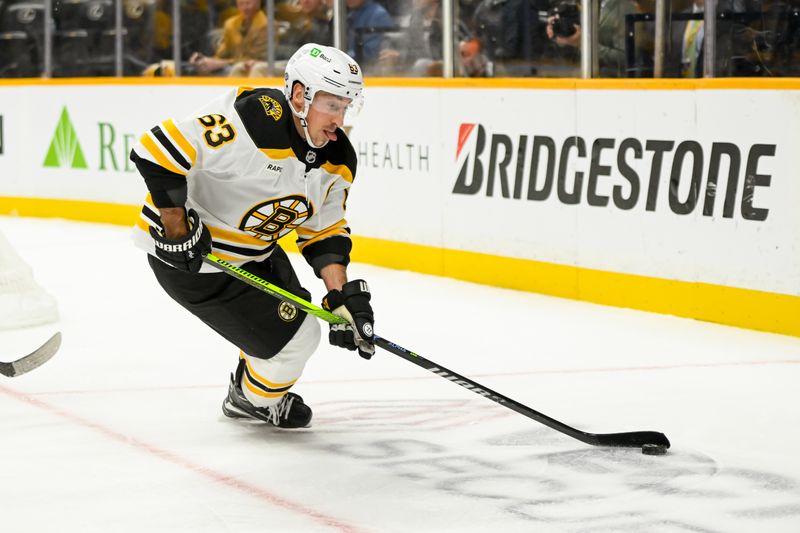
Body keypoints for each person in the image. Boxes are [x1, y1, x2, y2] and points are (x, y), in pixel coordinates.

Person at [129, 43, 375, 428]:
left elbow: (323, 231)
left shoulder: (339, 159)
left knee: (288, 327)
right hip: (197, 264)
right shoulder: (253, 120)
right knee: (297, 340)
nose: (338, 120)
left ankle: (257, 379)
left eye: (346, 107)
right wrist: (177, 231)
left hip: (257, 252)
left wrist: (340, 295)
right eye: (331, 105)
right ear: (299, 95)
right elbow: (155, 150)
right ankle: (251, 400)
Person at [188, 0, 270, 77]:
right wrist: (206, 60)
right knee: (198, 68)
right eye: (241, 4)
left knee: (238, 69)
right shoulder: (231, 24)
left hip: (253, 68)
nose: (245, 7)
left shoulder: (267, 25)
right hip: (230, 65)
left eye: (248, 3)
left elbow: (254, 59)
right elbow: (222, 53)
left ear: (258, 3)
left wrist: (221, 63)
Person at [346, 0, 395, 66]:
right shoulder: (350, 13)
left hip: (369, 71)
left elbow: (371, 55)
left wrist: (343, 57)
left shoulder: (378, 15)